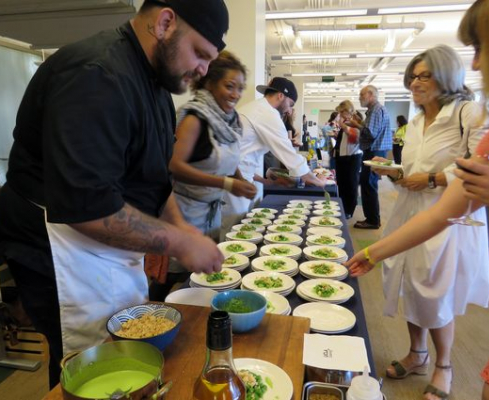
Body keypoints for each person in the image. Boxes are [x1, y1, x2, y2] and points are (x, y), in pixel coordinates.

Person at [0, 0, 229, 388]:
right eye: (200, 54)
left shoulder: (154, 81)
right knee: (86, 364)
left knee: (125, 349)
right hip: (60, 246)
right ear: (166, 22)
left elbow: (154, 178)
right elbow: (86, 205)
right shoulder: (96, 75)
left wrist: (183, 231)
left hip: (100, 248)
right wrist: (176, 241)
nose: (204, 70)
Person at [346, 44, 489, 400]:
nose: (415, 82)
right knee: (409, 282)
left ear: (447, 76)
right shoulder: (414, 121)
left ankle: (445, 366)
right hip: (410, 211)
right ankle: (417, 353)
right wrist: (396, 173)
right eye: (412, 76)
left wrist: (432, 179)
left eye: (424, 75)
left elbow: (473, 166)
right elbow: (412, 168)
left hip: (449, 215)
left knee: (435, 290)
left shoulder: (468, 113)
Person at [169, 50, 256, 242]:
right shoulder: (194, 118)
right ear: (209, 84)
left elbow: (228, 161)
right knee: (184, 271)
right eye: (229, 86)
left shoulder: (229, 122)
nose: (236, 94)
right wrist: (227, 184)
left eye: (240, 88)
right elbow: (174, 166)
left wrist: (241, 181)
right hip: (186, 213)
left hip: (212, 212)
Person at [221, 77, 325, 236]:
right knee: (233, 232)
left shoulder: (257, 108)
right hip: (232, 180)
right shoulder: (266, 113)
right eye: (290, 104)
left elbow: (245, 156)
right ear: (281, 96)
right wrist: (317, 181)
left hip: (237, 175)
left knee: (240, 230)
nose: (290, 111)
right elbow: (289, 154)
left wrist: (265, 180)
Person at [352, 85, 393, 229]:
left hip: (374, 151)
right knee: (369, 183)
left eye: (361, 95)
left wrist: (356, 124)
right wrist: (361, 122)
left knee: (368, 184)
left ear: (370, 94)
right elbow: (371, 129)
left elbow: (370, 133)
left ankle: (372, 220)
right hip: (376, 150)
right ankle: (372, 218)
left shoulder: (375, 109)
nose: (359, 98)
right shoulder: (375, 110)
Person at [333, 100, 362, 219]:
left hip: (352, 157)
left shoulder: (356, 121)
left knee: (351, 184)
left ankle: (349, 210)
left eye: (341, 112)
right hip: (342, 157)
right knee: (342, 183)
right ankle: (343, 207)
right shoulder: (345, 122)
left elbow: (355, 138)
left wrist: (344, 126)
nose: (340, 115)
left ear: (347, 111)